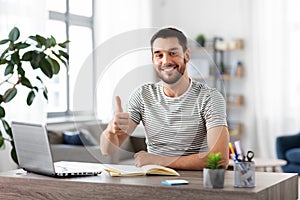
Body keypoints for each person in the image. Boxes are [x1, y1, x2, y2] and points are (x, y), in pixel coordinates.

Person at [100, 27, 229, 170]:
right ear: (153, 59)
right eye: (158, 55)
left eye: (173, 53)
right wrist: (110, 131)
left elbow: (219, 159)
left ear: (186, 55)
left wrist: (158, 160)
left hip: (195, 184)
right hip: (153, 183)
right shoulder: (142, 96)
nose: (166, 61)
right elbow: (107, 150)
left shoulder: (209, 98)